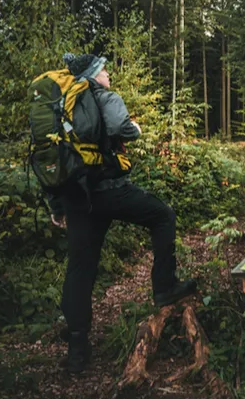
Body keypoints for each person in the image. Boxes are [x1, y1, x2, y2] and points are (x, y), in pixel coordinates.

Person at [46, 52, 196, 373]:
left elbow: (54, 156)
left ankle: (77, 348)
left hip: (78, 198)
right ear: (93, 75)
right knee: (163, 216)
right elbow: (120, 127)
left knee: (80, 268)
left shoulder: (63, 108)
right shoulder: (106, 97)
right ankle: (164, 287)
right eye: (104, 70)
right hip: (111, 192)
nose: (109, 75)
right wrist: (135, 129)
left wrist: (57, 205)